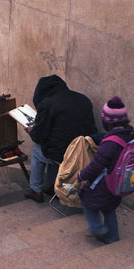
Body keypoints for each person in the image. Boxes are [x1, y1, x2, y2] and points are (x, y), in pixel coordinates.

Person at [24, 75, 97, 203]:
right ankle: (53, 186)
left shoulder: (47, 104)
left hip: (64, 154)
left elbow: (39, 137)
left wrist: (31, 131)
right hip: (86, 152)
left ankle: (36, 190)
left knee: (37, 151)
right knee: (52, 147)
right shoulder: (83, 99)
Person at [77, 96, 134, 244]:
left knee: (85, 198)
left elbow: (96, 165)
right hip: (120, 182)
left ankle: (97, 228)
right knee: (109, 208)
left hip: (105, 182)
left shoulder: (109, 143)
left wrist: (81, 175)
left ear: (106, 121)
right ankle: (113, 237)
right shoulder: (130, 136)